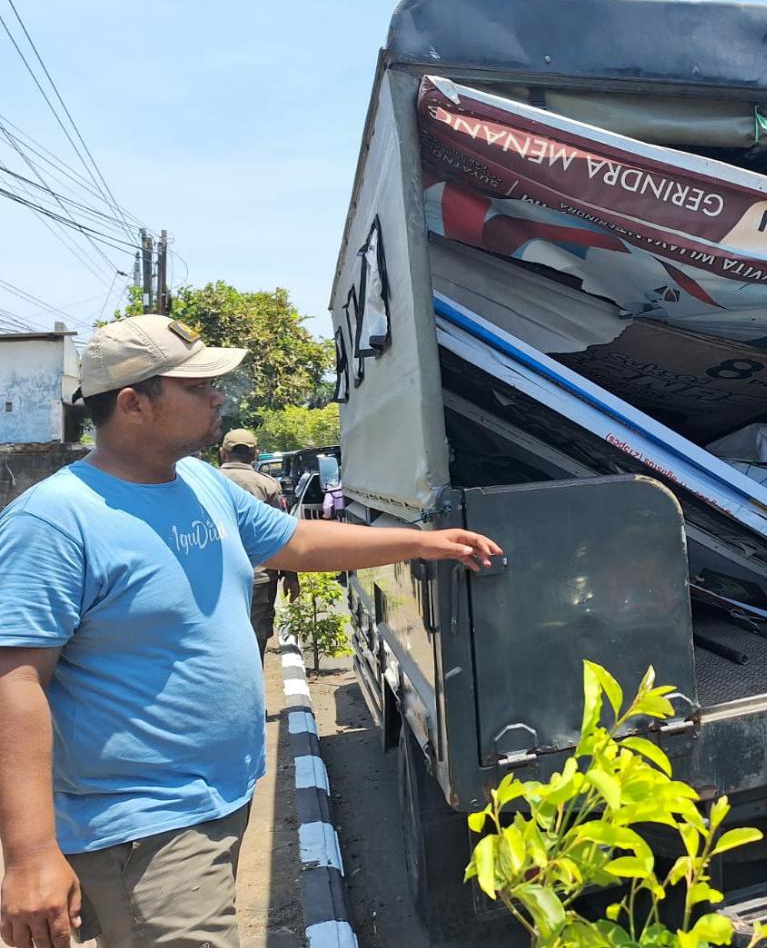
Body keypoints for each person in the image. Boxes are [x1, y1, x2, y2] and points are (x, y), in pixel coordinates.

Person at [0, 314, 501, 948]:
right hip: (142, 824)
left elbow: (297, 541)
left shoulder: (201, 483)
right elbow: (14, 683)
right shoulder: (54, 521)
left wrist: (423, 541)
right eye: (197, 386)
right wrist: (29, 854)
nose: (218, 398)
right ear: (133, 403)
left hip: (217, 794)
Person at [217, 428, 300, 659]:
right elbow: (281, 534)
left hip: (215, 578)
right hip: (260, 578)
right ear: (256, 454)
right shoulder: (267, 485)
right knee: (254, 641)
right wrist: (291, 575)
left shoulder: (205, 482)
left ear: (223, 453)